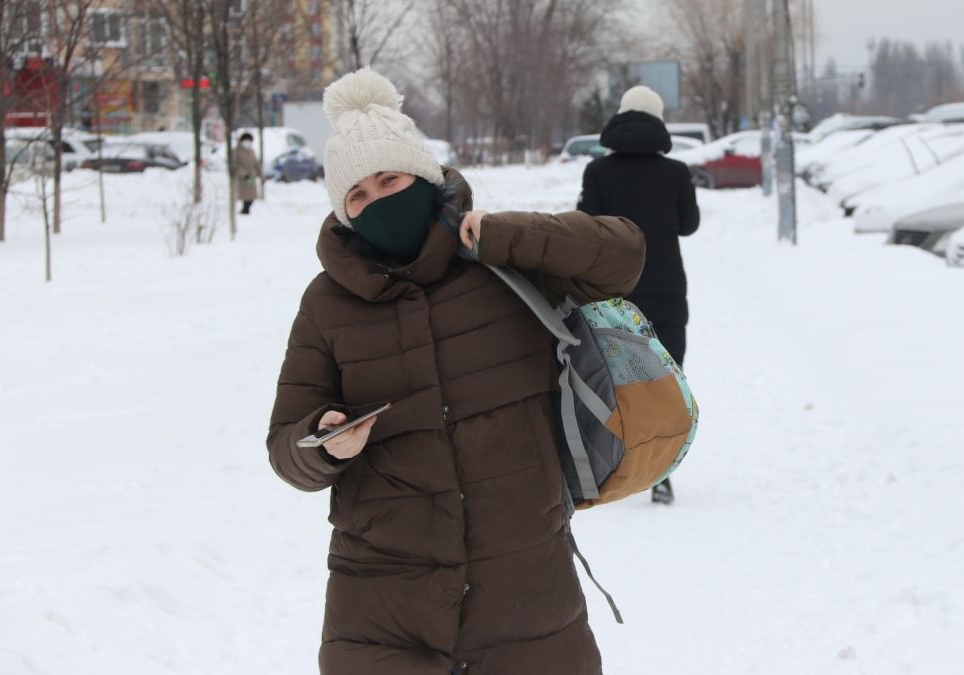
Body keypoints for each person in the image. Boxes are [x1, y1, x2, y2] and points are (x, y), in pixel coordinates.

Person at [267, 68, 645, 675]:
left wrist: (513, 237)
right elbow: (286, 449)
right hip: (381, 603)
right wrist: (323, 442)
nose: (376, 202)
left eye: (389, 179)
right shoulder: (326, 304)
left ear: (424, 176)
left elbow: (624, 255)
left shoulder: (500, 264)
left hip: (525, 590)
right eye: (357, 196)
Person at [577, 85, 700, 505]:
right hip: (666, 289)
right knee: (666, 379)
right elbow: (689, 225)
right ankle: (661, 471)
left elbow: (585, 227)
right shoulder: (677, 172)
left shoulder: (598, 173)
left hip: (612, 294)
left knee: (616, 381)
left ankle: (615, 464)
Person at [233, 132, 262, 214]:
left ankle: (246, 209)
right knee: (245, 195)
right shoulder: (237, 151)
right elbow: (235, 164)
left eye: (250, 141)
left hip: (251, 176)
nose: (248, 142)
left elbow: (255, 162)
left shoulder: (251, 150)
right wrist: (243, 174)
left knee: (251, 195)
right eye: (246, 140)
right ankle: (245, 210)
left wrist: (259, 173)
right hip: (242, 177)